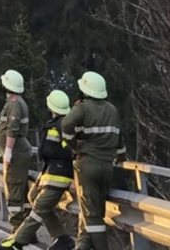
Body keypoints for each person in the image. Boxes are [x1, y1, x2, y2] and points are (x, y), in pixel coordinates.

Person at [0, 90, 76, 250]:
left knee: (39, 208)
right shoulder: (59, 124)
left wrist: (75, 179)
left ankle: (17, 243)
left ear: (50, 106)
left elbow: (74, 153)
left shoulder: (63, 126)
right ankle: (62, 238)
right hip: (50, 173)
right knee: (33, 196)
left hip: (60, 176)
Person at [63, 71, 123, 250]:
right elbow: (119, 140)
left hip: (87, 165)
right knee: (97, 211)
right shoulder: (112, 109)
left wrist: (74, 145)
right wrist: (121, 158)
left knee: (92, 216)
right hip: (107, 166)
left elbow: (66, 125)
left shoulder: (82, 108)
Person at [0, 69, 32, 230]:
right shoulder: (17, 101)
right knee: (21, 191)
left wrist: (8, 151)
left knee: (14, 191)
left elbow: (12, 128)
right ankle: (25, 230)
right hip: (18, 151)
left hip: (16, 153)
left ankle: (17, 231)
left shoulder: (13, 103)